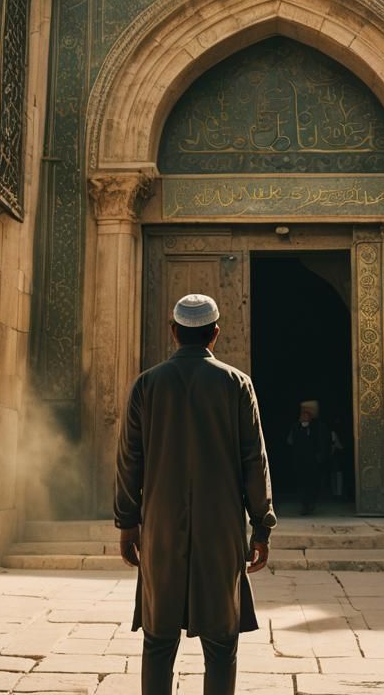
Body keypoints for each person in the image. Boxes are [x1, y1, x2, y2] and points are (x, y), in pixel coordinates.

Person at [115, 293, 277, 695]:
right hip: (220, 528)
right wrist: (261, 526)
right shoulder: (236, 384)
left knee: (157, 639)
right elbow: (254, 461)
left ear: (173, 332)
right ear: (215, 334)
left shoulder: (147, 384)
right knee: (221, 641)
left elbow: (128, 461)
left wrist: (127, 523)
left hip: (161, 528)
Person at [286, 400, 329, 515]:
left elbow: (321, 443)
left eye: (306, 415)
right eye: (302, 415)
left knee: (312, 483)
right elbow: (290, 441)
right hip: (300, 461)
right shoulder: (296, 427)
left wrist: (319, 457)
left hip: (313, 462)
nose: (304, 417)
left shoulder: (317, 428)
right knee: (302, 484)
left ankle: (310, 504)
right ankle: (304, 505)